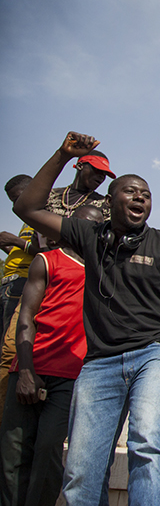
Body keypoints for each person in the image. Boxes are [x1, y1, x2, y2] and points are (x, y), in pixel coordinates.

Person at [14, 131, 160, 505]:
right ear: (109, 202)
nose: (140, 197)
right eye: (130, 191)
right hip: (99, 363)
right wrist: (62, 155)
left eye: (146, 194)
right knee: (81, 468)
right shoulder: (89, 235)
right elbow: (26, 208)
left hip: (154, 354)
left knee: (147, 443)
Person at [0, 204, 103, 506]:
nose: (86, 231)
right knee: (14, 452)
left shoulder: (104, 269)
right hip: (30, 368)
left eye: (94, 227)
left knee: (48, 451)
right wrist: (26, 371)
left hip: (71, 376)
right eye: (81, 224)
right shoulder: (46, 260)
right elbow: (27, 317)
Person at [0, 175, 41, 424]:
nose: (16, 205)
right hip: (8, 282)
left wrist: (16, 241)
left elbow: (46, 253)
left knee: (10, 352)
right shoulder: (27, 220)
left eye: (18, 198)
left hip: (23, 284)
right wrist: (9, 247)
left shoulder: (42, 215)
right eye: (12, 201)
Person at [45, 150, 114, 219]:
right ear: (80, 166)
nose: (101, 176)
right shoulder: (51, 195)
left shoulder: (104, 205)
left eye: (105, 173)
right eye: (97, 170)